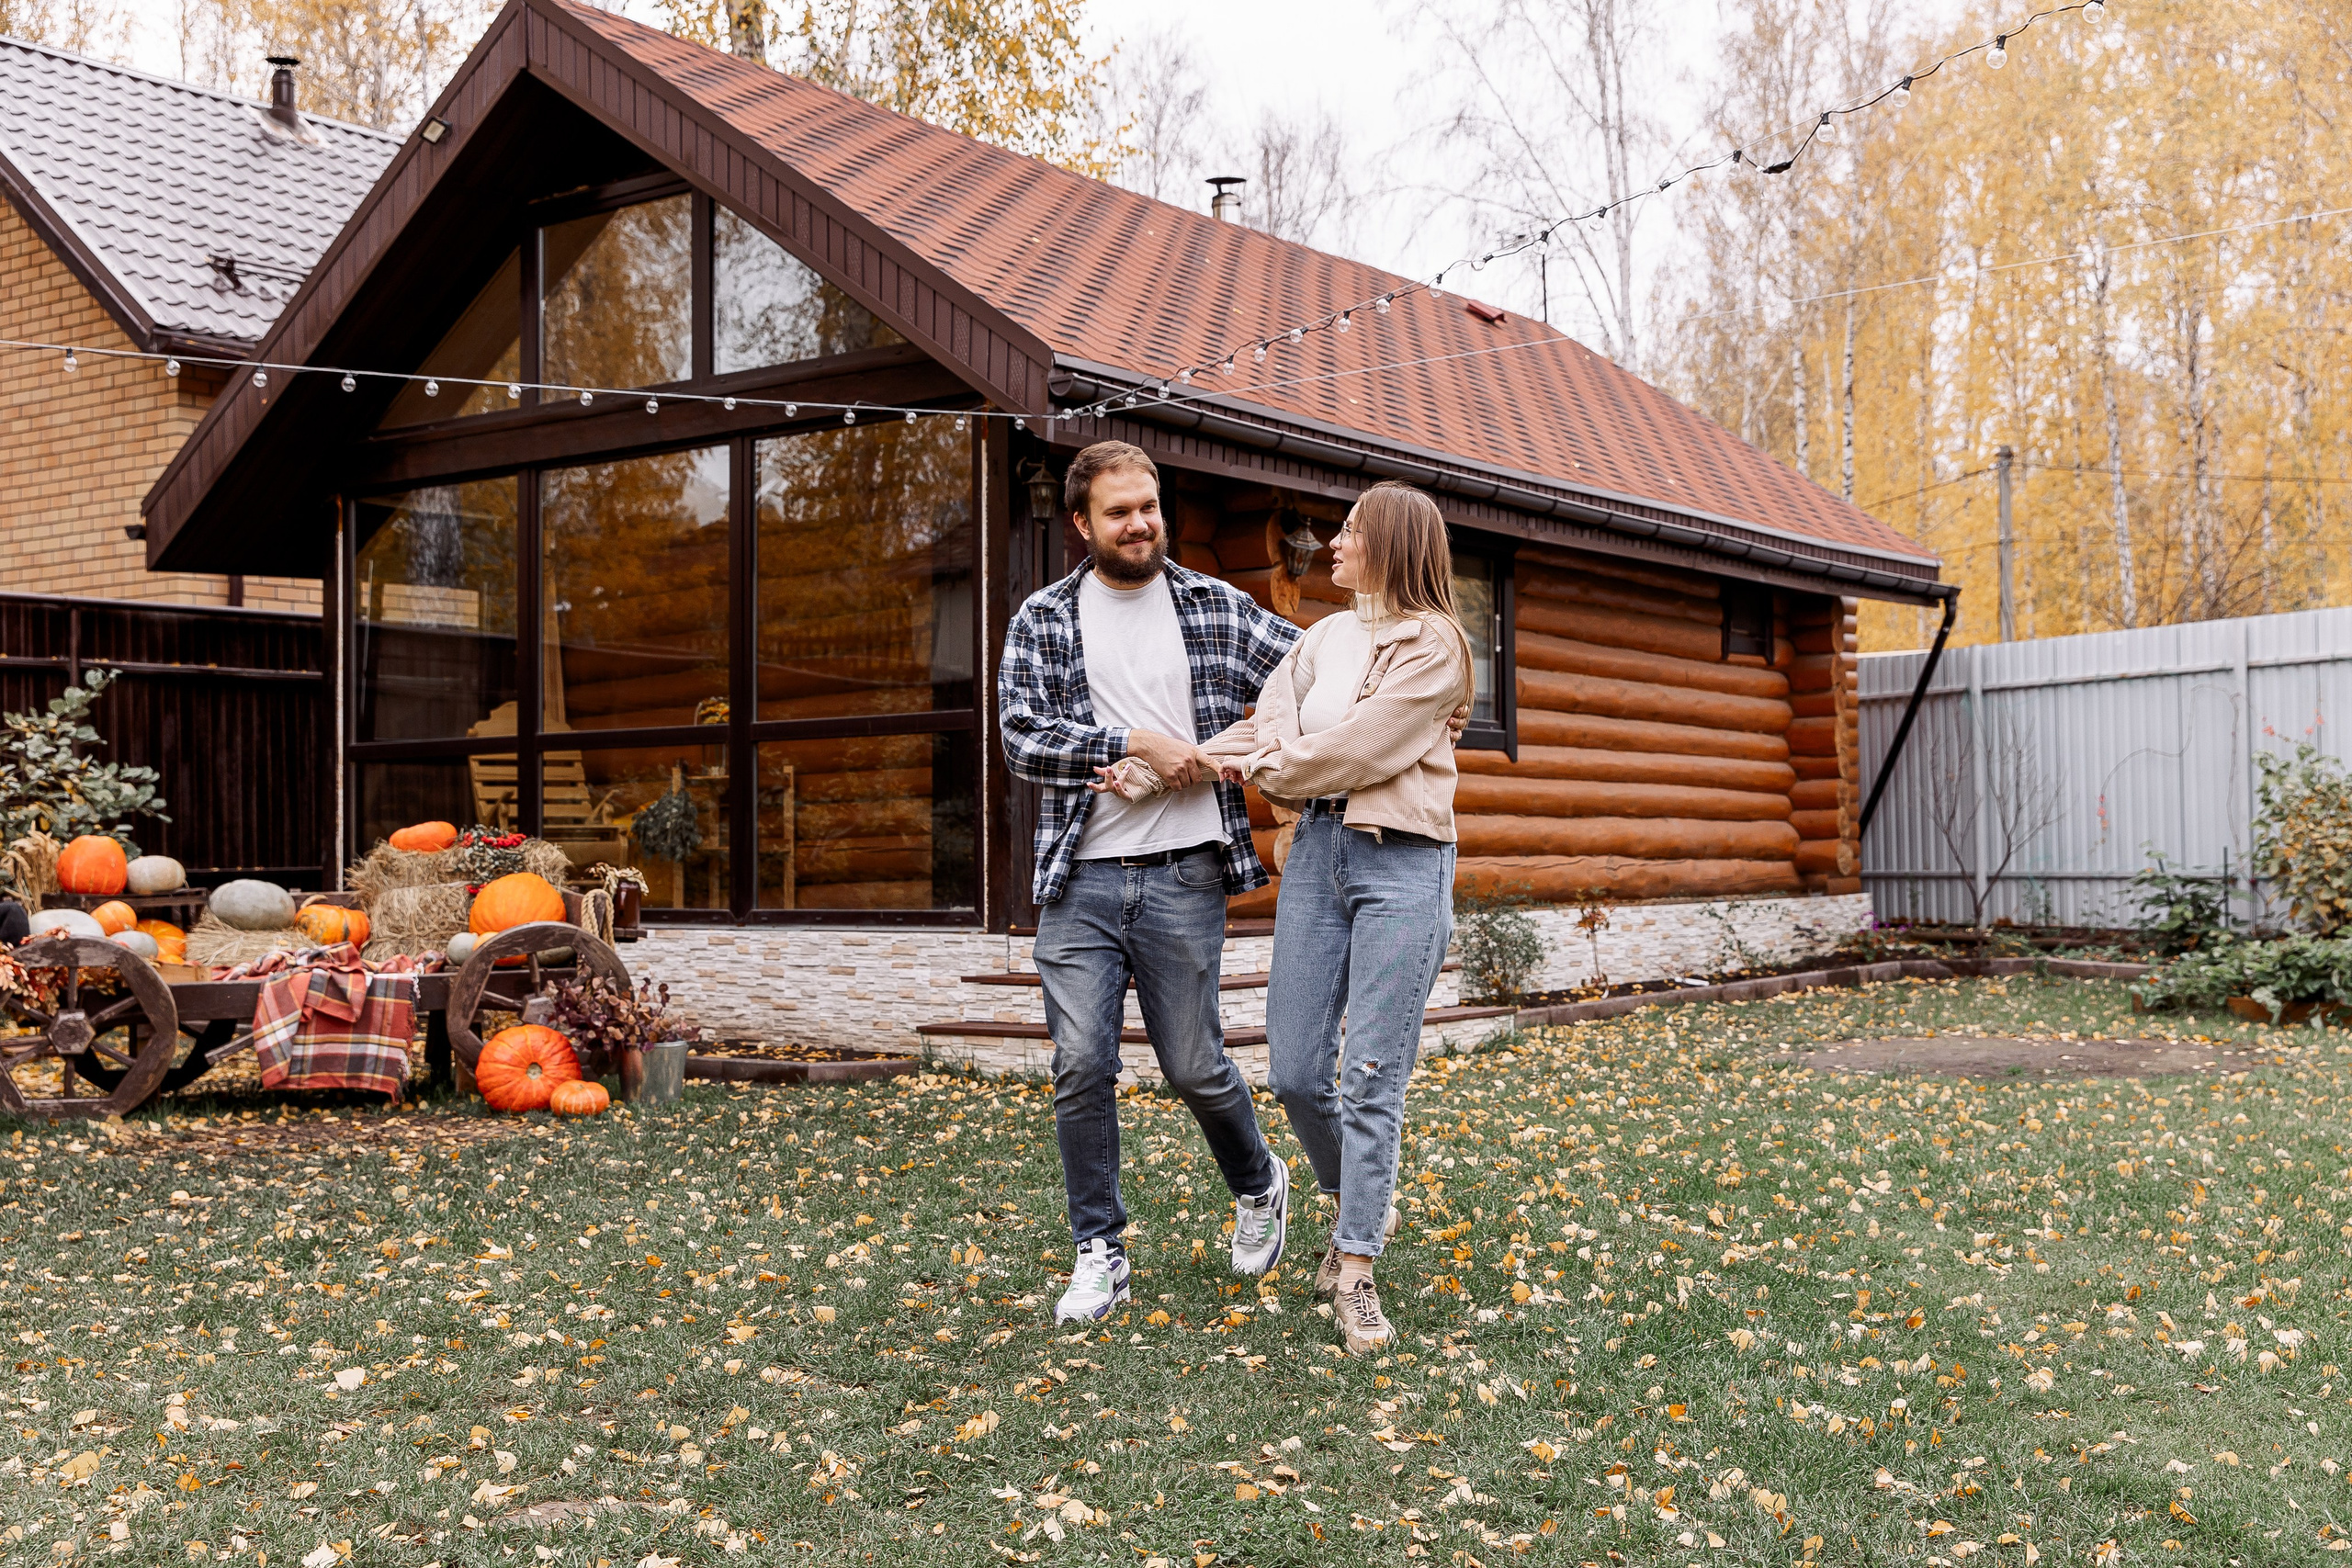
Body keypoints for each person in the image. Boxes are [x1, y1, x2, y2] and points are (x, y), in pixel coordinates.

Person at [997, 441, 1304, 1324]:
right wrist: (1131, 741)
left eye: (1149, 507)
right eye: (1120, 511)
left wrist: (1269, 741)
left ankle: (1258, 1180)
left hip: (1184, 874)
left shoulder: (1216, 606)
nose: (1140, 524)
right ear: (1082, 524)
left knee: (1196, 1065)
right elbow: (1021, 737)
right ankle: (1100, 1249)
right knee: (1081, 1062)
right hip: (1081, 876)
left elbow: (1308, 673)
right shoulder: (1044, 618)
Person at [1208, 480, 1471, 1356]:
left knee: (1370, 1073)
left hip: (1402, 860)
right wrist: (1170, 763)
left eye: (1351, 532)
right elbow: (1270, 721)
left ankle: (1355, 1265)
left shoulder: (1436, 646)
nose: (1333, 543)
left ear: (1392, 544)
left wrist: (1275, 769)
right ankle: (1356, 1193)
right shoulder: (1320, 635)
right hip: (1319, 852)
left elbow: (1360, 746)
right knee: (1292, 1065)